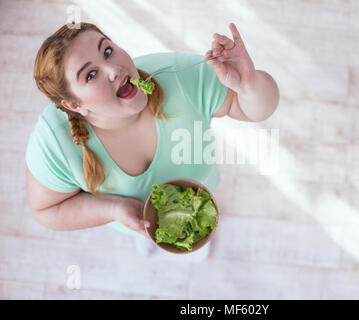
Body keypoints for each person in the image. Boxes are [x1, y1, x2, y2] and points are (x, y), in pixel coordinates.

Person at [26, 22, 279, 259]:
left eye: (108, 50)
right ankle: (145, 239)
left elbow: (256, 110)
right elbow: (47, 211)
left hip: (201, 202)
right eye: (91, 75)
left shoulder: (178, 76)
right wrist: (113, 209)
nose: (115, 70)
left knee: (197, 249)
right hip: (130, 224)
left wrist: (247, 83)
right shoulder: (53, 143)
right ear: (74, 104)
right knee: (146, 239)